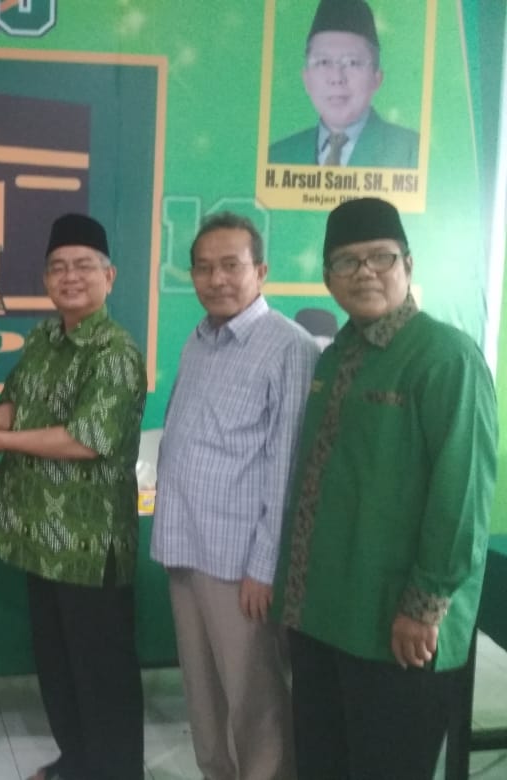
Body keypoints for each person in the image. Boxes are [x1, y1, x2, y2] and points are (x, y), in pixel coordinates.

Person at [271, 197, 497, 779]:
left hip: (396, 628)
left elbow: (462, 500)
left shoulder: (446, 357)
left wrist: (423, 607)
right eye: (346, 262)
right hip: (322, 616)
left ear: (408, 264)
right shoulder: (333, 358)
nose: (365, 272)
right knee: (322, 765)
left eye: (381, 257)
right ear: (328, 279)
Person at [0, 213, 147, 780]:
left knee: (101, 672)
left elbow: (85, 440)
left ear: (110, 276)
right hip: (39, 535)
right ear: (44, 279)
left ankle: (115, 772)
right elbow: (16, 401)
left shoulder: (114, 351)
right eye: (58, 267)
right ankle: (77, 762)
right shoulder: (44, 337)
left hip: (89, 544)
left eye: (83, 266)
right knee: (59, 664)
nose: (70, 277)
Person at [151, 213, 318, 780]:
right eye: (203, 267)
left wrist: (264, 568)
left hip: (240, 566)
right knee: (203, 698)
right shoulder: (199, 339)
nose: (216, 279)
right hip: (186, 548)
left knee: (255, 702)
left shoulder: (288, 348)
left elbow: (286, 468)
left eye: (231, 265)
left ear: (261, 270)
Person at [268, 0, 420, 168]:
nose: (336, 78)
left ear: (377, 78)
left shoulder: (413, 152)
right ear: (306, 79)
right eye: (323, 62)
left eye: (352, 63)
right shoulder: (277, 156)